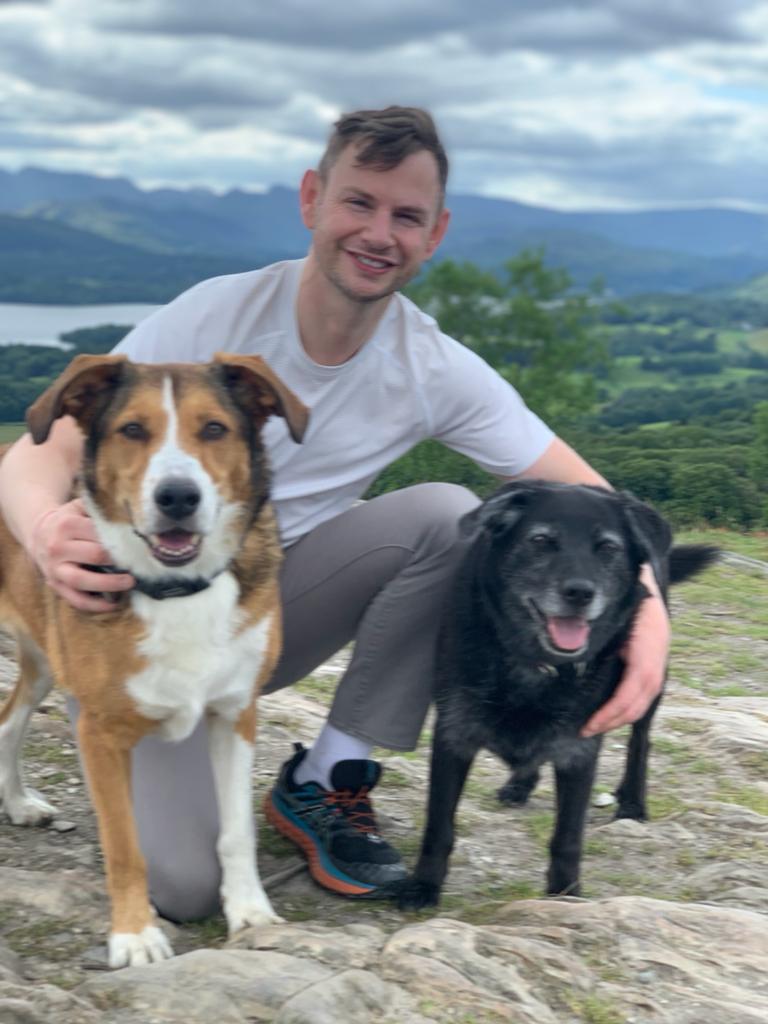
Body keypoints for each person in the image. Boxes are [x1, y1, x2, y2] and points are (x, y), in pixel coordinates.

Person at [0, 106, 670, 917]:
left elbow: (592, 498)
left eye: (406, 216)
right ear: (312, 198)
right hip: (134, 620)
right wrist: (43, 530)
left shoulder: (432, 365)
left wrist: (650, 607)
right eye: (359, 202)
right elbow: (40, 453)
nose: (379, 232)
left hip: (268, 610)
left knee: (449, 518)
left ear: (436, 232)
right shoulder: (216, 315)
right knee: (185, 891)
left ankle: (326, 780)